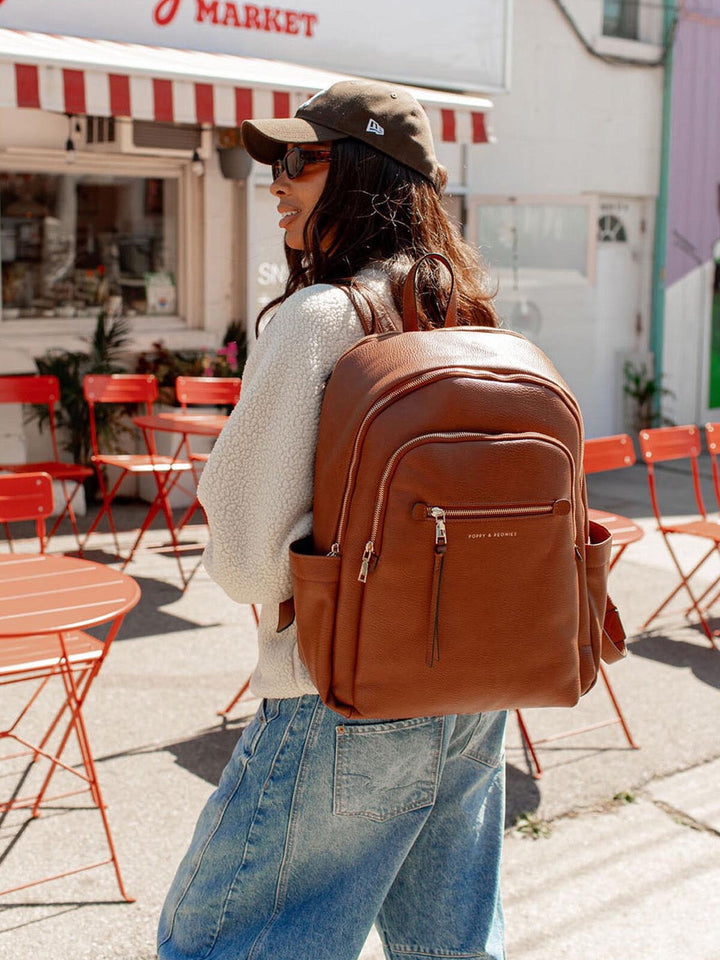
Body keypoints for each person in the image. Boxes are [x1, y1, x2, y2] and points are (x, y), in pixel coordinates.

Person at [157, 79, 507, 960]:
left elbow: (243, 558)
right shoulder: (468, 317)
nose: (275, 177)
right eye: (276, 159)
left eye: (302, 159)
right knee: (450, 947)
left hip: (342, 690)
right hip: (477, 685)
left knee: (226, 940)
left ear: (365, 176)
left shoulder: (323, 318)